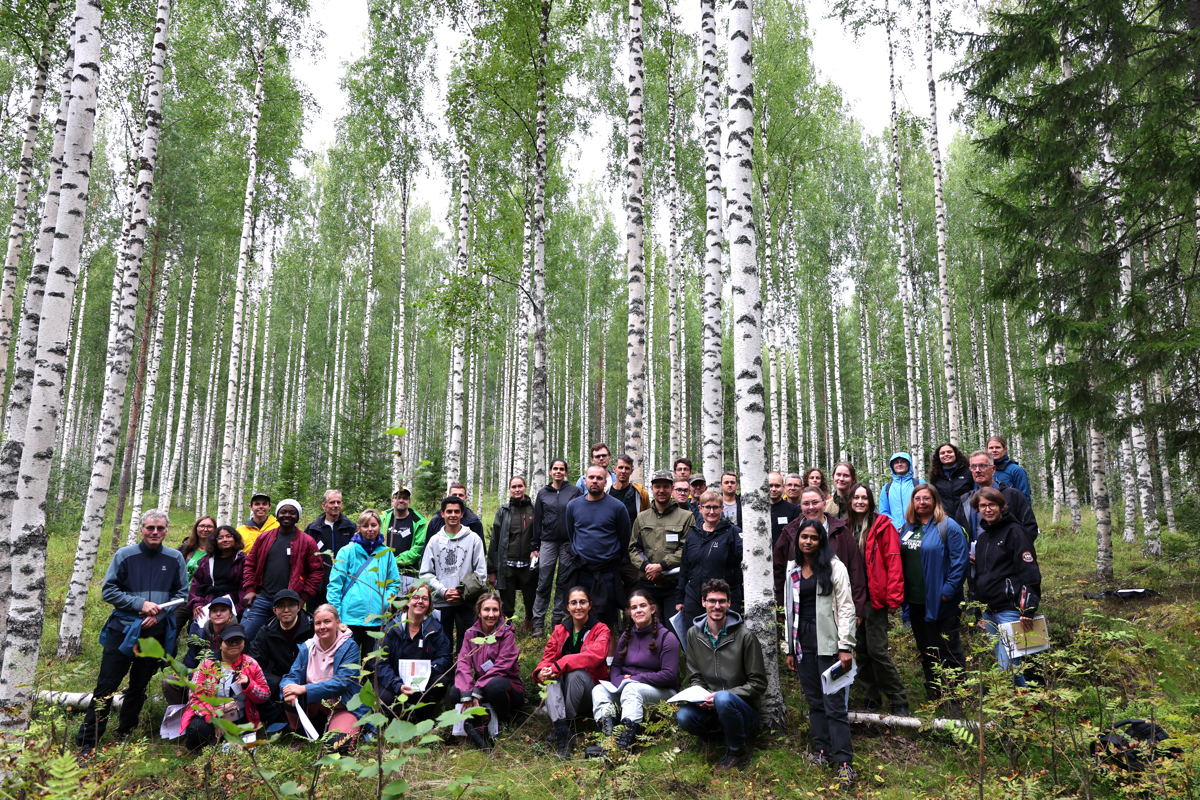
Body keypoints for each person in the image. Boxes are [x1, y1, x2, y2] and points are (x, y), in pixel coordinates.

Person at [76, 509, 187, 756]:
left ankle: (125, 731)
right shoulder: (124, 555)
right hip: (123, 629)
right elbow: (109, 591)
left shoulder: (175, 558)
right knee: (106, 685)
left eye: (160, 528)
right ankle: (87, 742)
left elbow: (181, 596)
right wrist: (140, 605)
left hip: (155, 632)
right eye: (150, 528)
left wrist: (158, 615)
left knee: (139, 685)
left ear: (167, 530)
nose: (155, 532)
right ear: (142, 529)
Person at [783, 520, 857, 790]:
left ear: (821, 540)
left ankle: (845, 763)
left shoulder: (835, 567)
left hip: (830, 644)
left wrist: (845, 646)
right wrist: (789, 648)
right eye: (804, 537)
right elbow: (788, 609)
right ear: (798, 540)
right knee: (815, 703)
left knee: (834, 706)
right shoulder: (792, 569)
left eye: (814, 538)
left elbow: (847, 607)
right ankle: (823, 753)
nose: (808, 542)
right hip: (802, 643)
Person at [676, 579, 766, 773]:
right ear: (703, 602)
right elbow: (695, 675)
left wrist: (722, 696)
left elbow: (758, 684)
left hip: (743, 711)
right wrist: (702, 696)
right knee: (683, 716)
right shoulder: (693, 634)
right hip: (711, 706)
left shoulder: (744, 636)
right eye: (712, 600)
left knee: (724, 698)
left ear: (729, 603)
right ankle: (717, 737)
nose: (717, 606)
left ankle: (737, 750)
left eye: (722, 601)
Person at [899, 485, 969, 705]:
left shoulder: (948, 526)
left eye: (926, 498)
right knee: (926, 649)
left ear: (935, 500)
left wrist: (947, 593)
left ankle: (957, 698)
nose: (921, 502)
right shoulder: (907, 528)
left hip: (942, 603)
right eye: (917, 498)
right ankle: (934, 693)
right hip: (916, 601)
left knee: (948, 650)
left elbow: (960, 562)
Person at [843, 483, 909, 717]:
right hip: (851, 599)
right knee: (860, 649)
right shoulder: (845, 527)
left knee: (878, 651)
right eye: (856, 498)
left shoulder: (883, 526)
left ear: (870, 501)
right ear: (850, 501)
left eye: (864, 498)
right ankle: (871, 695)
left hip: (876, 598)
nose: (860, 501)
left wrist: (893, 598)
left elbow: (893, 562)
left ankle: (898, 698)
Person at [588, 589, 680, 756]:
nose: (638, 610)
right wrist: (619, 682)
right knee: (599, 690)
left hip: (664, 694)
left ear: (652, 609)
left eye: (643, 606)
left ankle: (624, 747)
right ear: (629, 612)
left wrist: (636, 679)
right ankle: (610, 743)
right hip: (629, 689)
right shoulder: (626, 636)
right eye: (634, 607)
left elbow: (670, 675)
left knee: (631, 689)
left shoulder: (668, 638)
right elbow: (615, 666)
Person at [968, 488, 1041, 686]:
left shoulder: (1015, 531)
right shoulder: (983, 539)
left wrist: (1029, 607)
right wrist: (980, 610)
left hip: (1011, 610)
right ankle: (1027, 711)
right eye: (982, 505)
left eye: (992, 504)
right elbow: (984, 575)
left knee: (1006, 668)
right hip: (990, 611)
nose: (988, 509)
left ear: (1001, 506)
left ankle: (1017, 712)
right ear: (977, 509)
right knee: (1011, 670)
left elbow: (1030, 571)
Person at [535, 586, 612, 759]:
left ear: (590, 605)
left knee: (576, 674)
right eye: (574, 603)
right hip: (564, 693)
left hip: (589, 693)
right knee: (551, 678)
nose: (578, 607)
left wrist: (562, 663)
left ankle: (565, 724)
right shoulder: (560, 630)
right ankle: (563, 734)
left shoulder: (601, 629)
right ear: (567, 607)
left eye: (582, 602)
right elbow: (547, 658)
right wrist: (542, 673)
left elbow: (596, 656)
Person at [775, 487, 868, 623]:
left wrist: (858, 608)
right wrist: (780, 608)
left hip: (835, 606)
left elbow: (855, 570)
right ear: (800, 506)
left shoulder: (840, 531)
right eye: (806, 503)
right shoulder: (790, 532)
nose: (811, 507)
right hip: (800, 607)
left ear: (824, 504)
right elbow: (778, 571)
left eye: (815, 502)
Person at [281, 604, 366, 752]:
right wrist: (289, 688)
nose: (322, 627)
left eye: (327, 621)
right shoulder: (307, 647)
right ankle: (301, 736)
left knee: (337, 747)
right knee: (290, 696)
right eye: (318, 623)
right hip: (315, 706)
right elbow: (291, 676)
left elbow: (342, 683)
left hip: (342, 707)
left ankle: (339, 729)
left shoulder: (350, 647)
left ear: (337, 623)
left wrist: (303, 688)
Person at [450, 593, 526, 751]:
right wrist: (467, 692)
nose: (491, 614)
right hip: (481, 685)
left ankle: (505, 722)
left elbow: (502, 666)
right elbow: (463, 662)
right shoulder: (470, 633)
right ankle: (476, 722)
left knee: (494, 686)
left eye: (495, 610)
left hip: (508, 686)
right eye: (486, 610)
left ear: (500, 612)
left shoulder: (507, 634)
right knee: (455, 692)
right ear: (479, 612)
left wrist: (477, 689)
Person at [562, 465, 633, 632]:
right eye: (591, 477)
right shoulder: (573, 506)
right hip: (581, 571)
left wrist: (610, 559)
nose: (595, 481)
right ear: (585, 480)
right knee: (578, 618)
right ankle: (579, 656)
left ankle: (608, 659)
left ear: (606, 481)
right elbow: (572, 536)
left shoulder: (617, 507)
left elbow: (624, 539)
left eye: (599, 478)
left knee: (606, 623)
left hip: (606, 573)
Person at [241, 499, 323, 642]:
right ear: (277, 515)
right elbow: (250, 564)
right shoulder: (264, 538)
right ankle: (246, 665)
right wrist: (249, 589)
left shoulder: (307, 541)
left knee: (286, 643)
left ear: (297, 517)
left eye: (292, 512)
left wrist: (303, 597)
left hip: (290, 603)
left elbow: (317, 571)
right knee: (245, 636)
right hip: (263, 598)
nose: (287, 515)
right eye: (283, 512)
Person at [328, 509, 403, 663]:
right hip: (349, 619)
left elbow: (394, 582)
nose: (370, 529)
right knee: (348, 664)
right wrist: (336, 617)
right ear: (359, 528)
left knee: (372, 665)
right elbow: (335, 586)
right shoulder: (347, 551)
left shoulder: (387, 554)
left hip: (377, 619)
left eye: (374, 525)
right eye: (365, 525)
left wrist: (385, 603)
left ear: (379, 527)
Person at [180, 624, 270, 750]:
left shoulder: (251, 664)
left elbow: (265, 695)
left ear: (244, 643)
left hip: (241, 717)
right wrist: (215, 717)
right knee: (197, 730)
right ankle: (199, 750)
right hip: (210, 716)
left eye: (238, 640)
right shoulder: (207, 664)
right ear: (220, 644)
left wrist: (249, 684)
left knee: (241, 746)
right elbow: (195, 698)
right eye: (229, 641)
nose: (234, 644)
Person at [376, 584, 453, 721]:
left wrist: (427, 672)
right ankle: (401, 718)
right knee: (384, 698)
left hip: (424, 683)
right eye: (415, 597)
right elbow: (380, 663)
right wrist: (397, 684)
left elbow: (445, 657)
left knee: (441, 681)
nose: (420, 601)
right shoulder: (392, 628)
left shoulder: (435, 628)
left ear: (429, 603)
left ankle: (420, 718)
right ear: (407, 601)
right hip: (396, 684)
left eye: (424, 598)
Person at [419, 495, 487, 650]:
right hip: (441, 602)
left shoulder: (474, 539)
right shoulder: (434, 541)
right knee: (442, 643)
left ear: (462, 514)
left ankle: (465, 673)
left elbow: (481, 572)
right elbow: (425, 573)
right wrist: (443, 591)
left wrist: (460, 591)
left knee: (469, 644)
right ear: (442, 514)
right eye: (449, 511)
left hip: (467, 602)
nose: (453, 515)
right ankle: (445, 674)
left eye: (457, 511)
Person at [247, 589, 313, 727]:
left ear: (299, 607)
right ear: (274, 610)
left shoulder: (312, 626)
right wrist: (280, 684)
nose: (286, 610)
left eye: (291, 605)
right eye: (281, 606)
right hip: (278, 684)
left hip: (309, 680)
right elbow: (255, 664)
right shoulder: (266, 630)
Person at [677, 490, 743, 626]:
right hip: (694, 598)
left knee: (724, 642)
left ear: (722, 508)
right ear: (700, 509)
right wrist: (680, 598)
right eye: (707, 507)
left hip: (722, 601)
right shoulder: (693, 534)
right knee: (695, 641)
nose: (711, 512)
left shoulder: (733, 533)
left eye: (715, 507)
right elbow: (684, 567)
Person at [531, 458, 582, 636]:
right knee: (544, 582)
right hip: (547, 542)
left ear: (566, 472)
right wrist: (534, 546)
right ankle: (537, 623)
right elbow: (537, 521)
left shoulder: (574, 491)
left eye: (561, 469)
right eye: (555, 469)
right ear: (551, 472)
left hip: (568, 543)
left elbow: (579, 518)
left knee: (563, 583)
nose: (558, 471)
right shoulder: (543, 493)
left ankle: (557, 621)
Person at [631, 472, 693, 615]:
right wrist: (648, 567)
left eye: (665, 486)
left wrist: (661, 566)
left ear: (672, 489)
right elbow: (634, 548)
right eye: (657, 486)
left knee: (673, 631)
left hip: (674, 584)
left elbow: (687, 549)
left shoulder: (686, 517)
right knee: (649, 629)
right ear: (651, 488)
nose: (661, 490)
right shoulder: (642, 518)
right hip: (647, 583)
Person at [163, 595, 239, 705]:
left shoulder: (237, 636)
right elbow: (189, 664)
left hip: (225, 683)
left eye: (223, 610)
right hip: (199, 680)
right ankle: (184, 714)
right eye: (214, 611)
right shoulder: (201, 634)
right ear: (210, 615)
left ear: (230, 613)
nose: (218, 614)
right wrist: (195, 680)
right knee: (170, 682)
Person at [957, 451, 1039, 544]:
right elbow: (960, 532)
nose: (977, 470)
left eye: (982, 466)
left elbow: (1030, 528)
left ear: (993, 469)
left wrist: (1013, 550)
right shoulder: (966, 500)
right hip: (977, 555)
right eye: (973, 467)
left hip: (1008, 556)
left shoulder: (1013, 495)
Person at [489, 476, 538, 629]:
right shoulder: (504, 511)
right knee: (507, 599)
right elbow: (495, 541)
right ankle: (507, 626)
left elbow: (540, 535)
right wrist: (492, 570)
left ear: (525, 487)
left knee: (531, 598)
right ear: (509, 489)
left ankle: (530, 621)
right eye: (514, 487)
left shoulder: (535, 509)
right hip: (507, 563)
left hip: (529, 564)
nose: (517, 489)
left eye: (520, 486)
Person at [305, 489, 358, 609]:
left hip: (344, 587)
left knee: (341, 624)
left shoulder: (350, 528)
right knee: (317, 623)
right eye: (332, 502)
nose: (336, 505)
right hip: (318, 588)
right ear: (324, 505)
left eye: (338, 502)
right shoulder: (313, 529)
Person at [188, 525, 246, 619]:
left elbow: (245, 587)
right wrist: (198, 603)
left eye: (228, 536)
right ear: (215, 541)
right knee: (197, 630)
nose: (225, 539)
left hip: (234, 605)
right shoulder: (207, 560)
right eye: (220, 537)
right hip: (208, 603)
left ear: (235, 538)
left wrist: (237, 609)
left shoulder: (242, 560)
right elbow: (197, 584)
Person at [381, 488, 428, 583]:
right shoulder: (382, 519)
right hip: (383, 571)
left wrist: (394, 561)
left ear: (409, 501)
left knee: (406, 597)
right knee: (383, 597)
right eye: (397, 497)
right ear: (392, 501)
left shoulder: (419, 522)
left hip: (407, 573)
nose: (401, 500)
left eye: (405, 498)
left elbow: (418, 549)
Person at [928, 443, 973, 521]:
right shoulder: (935, 475)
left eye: (949, 452)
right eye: (942, 453)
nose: (946, 455)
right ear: (938, 457)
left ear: (955, 454)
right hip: (944, 519)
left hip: (967, 517)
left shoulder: (968, 472)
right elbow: (933, 497)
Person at [879, 452, 922, 530]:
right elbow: (883, 512)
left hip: (917, 528)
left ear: (909, 464)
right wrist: (896, 525)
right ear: (892, 466)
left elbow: (927, 507)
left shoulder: (919, 483)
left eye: (903, 461)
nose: (899, 464)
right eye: (896, 462)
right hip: (894, 530)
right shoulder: (886, 488)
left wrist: (909, 525)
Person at [988, 435, 1031, 503]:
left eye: (998, 447)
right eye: (991, 448)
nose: (994, 450)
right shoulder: (981, 470)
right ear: (986, 450)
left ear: (1005, 449)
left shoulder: (1016, 470)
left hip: (1009, 512)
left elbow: (1024, 498)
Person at [609, 454, 650, 522]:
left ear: (631, 471)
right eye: (620, 467)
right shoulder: (606, 493)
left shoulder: (641, 495)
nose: (623, 471)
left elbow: (648, 519)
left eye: (627, 468)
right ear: (614, 469)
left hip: (633, 532)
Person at [767, 471, 801, 547]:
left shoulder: (794, 510)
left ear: (783, 487)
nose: (773, 489)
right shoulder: (757, 510)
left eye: (777, 486)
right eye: (770, 486)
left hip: (785, 556)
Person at [180, 516, 217, 584]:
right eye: (202, 526)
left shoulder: (218, 551)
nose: (205, 529)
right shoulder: (186, 549)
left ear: (215, 529)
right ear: (196, 528)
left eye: (209, 526)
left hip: (206, 593)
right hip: (183, 592)